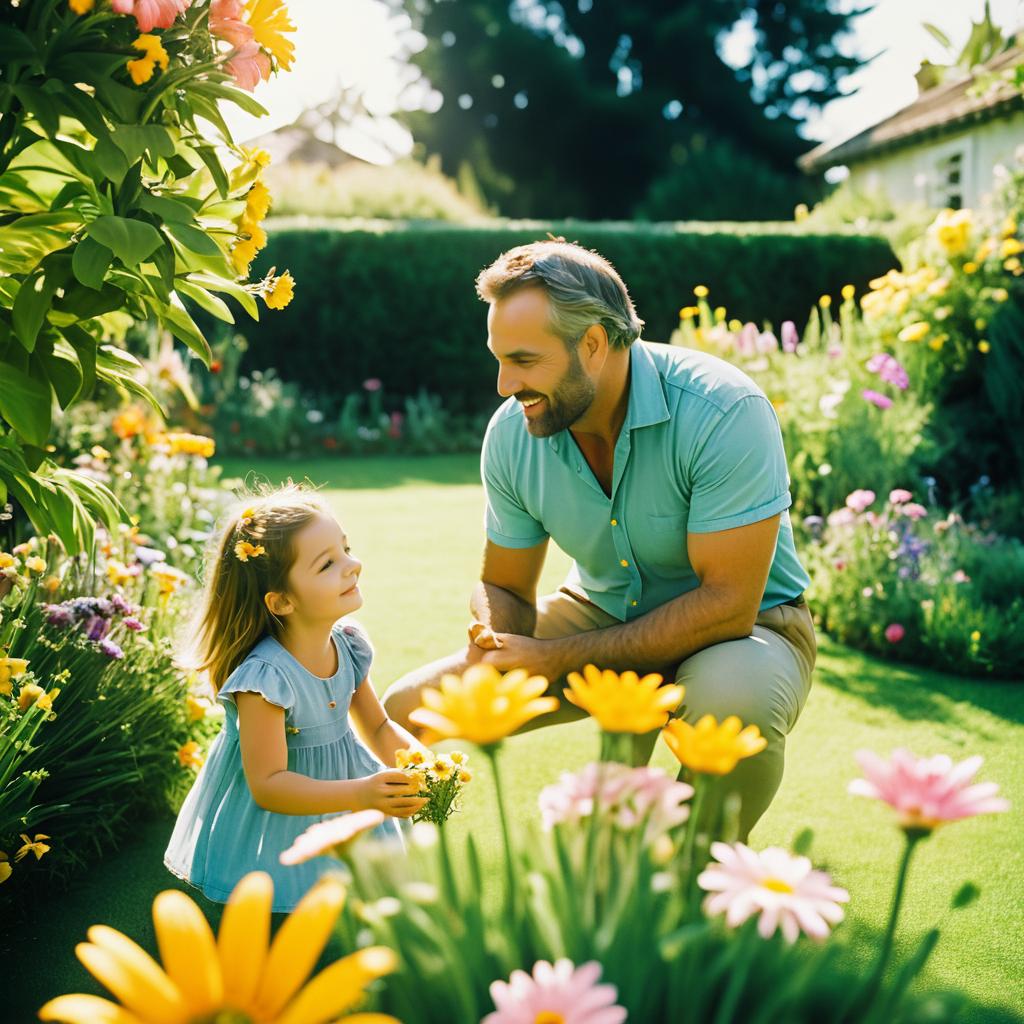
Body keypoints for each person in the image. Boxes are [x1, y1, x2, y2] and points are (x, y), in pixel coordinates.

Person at [383, 239, 816, 838]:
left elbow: (727, 606)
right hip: (603, 610)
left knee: (732, 707)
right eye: (499, 359)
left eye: (525, 361)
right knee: (407, 708)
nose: (505, 384)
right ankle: (381, 864)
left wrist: (553, 659)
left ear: (593, 343)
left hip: (749, 631)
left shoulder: (723, 410)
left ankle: (688, 883)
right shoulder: (514, 432)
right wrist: (498, 641)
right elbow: (503, 581)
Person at [165, 484, 427, 913]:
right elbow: (269, 786)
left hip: (343, 784)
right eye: (328, 563)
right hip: (280, 811)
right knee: (288, 898)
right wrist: (361, 794)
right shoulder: (264, 680)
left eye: (346, 549)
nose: (353, 565)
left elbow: (377, 726)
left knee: (355, 899)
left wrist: (422, 763)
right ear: (282, 601)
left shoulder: (349, 647)